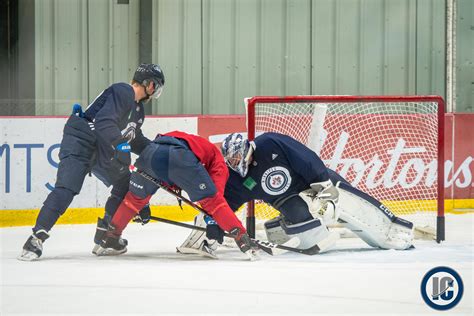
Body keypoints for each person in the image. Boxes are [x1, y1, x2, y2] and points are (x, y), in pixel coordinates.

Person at [18, 63, 165, 261]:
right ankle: (36, 238)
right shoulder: (124, 91)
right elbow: (104, 121)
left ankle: (106, 237)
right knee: (67, 188)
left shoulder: (138, 111)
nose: (155, 92)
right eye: (155, 86)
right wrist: (120, 146)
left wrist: (158, 150)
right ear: (149, 84)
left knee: (126, 183)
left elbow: (134, 138)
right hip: (81, 141)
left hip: (101, 146)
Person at [183, 132, 414, 255]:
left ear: (247, 149)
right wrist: (215, 221)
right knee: (305, 218)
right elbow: (226, 203)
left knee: (347, 202)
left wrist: (324, 187)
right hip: (287, 198)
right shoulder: (235, 177)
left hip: (313, 184)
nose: (235, 163)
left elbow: (306, 158)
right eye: (230, 160)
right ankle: (284, 229)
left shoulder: (270, 143)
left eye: (237, 157)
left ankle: (393, 230)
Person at [95, 131, 260, 260]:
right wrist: (212, 222)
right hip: (178, 156)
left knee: (133, 200)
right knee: (213, 202)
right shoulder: (217, 161)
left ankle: (111, 238)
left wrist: (143, 204)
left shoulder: (190, 141)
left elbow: (164, 166)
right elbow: (216, 202)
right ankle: (242, 238)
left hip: (151, 152)